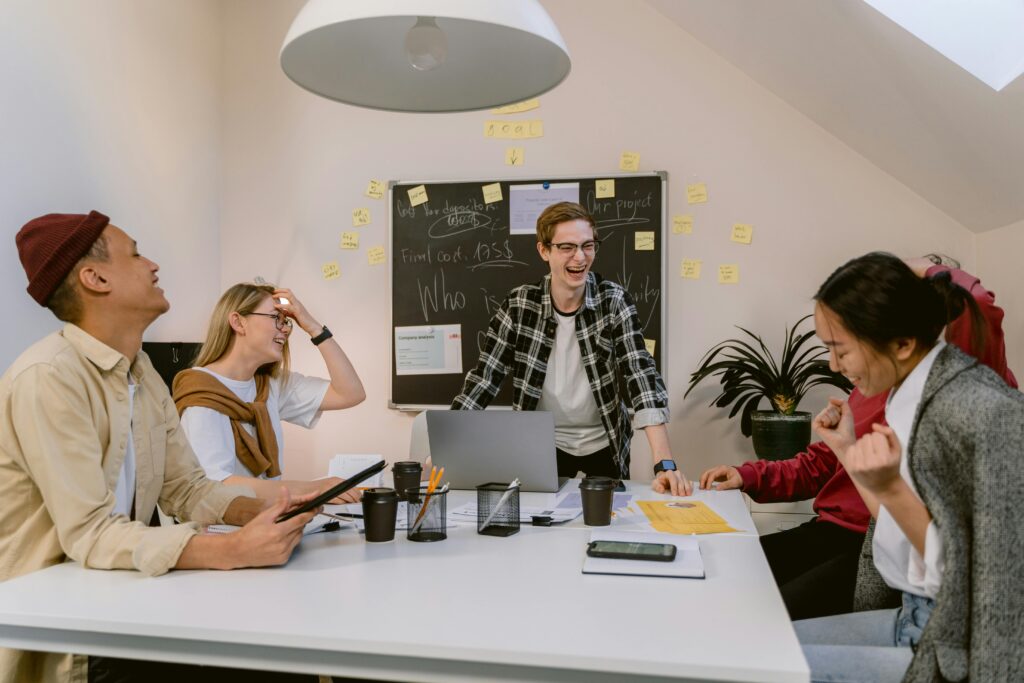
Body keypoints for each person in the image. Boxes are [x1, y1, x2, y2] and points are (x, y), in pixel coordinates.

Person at [0, 211, 321, 683]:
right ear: (95, 278)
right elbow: (91, 533)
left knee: (281, 655)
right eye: (135, 254)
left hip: (123, 601)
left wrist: (269, 512)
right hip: (72, 635)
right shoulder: (49, 377)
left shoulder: (143, 374)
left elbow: (187, 489)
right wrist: (232, 550)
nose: (152, 265)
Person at [698, 256, 1017, 620]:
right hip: (834, 532)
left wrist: (923, 267)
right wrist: (749, 475)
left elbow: (979, 306)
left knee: (761, 617)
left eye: (842, 350)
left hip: (869, 550)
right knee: (727, 574)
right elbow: (826, 460)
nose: (834, 365)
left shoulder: (968, 391)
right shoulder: (876, 387)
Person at [794, 252, 1023, 681]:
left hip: (956, 646)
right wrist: (847, 451)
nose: (832, 365)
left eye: (840, 349)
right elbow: (896, 524)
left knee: (757, 667)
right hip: (914, 618)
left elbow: (987, 582)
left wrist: (891, 488)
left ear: (902, 344)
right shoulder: (906, 392)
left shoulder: (984, 411)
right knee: (756, 651)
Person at [451, 202, 690, 495]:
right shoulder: (519, 304)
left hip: (604, 441)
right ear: (544, 250)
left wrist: (664, 464)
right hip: (541, 443)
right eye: (567, 247)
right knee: (539, 518)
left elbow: (640, 375)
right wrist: (448, 447)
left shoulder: (614, 301)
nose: (580, 257)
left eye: (588, 246)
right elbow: (484, 379)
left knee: (607, 518)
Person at [173, 283, 365, 501]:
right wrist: (312, 490)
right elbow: (215, 485)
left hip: (266, 514)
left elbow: (351, 393)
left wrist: (313, 328)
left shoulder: (269, 385)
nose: (286, 329)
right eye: (276, 318)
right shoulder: (200, 392)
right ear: (238, 322)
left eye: (286, 321)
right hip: (226, 520)